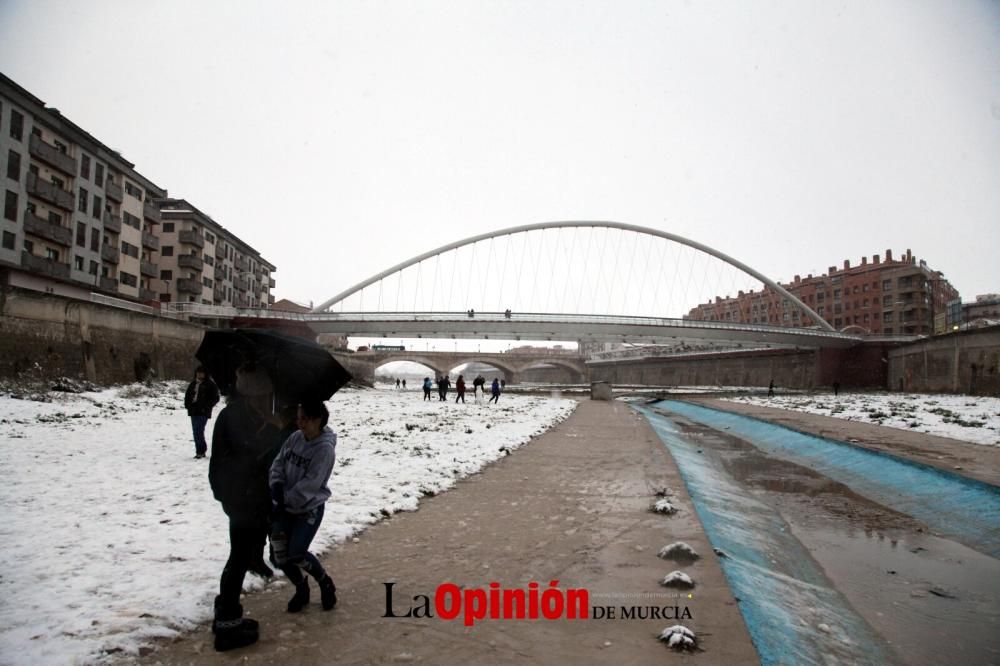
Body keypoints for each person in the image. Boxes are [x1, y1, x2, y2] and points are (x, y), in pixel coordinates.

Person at [207, 366, 282, 651]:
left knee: (239, 554)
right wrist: (273, 430)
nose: (268, 398)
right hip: (244, 498)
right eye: (264, 394)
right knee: (238, 558)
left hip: (238, 497)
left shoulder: (237, 415)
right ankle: (227, 624)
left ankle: (225, 612)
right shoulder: (240, 419)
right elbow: (251, 458)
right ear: (254, 394)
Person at [269, 400, 338, 614]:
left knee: (296, 553)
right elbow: (278, 463)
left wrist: (285, 500)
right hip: (283, 505)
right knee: (278, 556)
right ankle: (301, 588)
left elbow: (310, 484)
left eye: (304, 419)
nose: (299, 423)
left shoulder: (324, 450)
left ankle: (324, 581)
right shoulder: (295, 438)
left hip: (309, 508)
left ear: (318, 420)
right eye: (298, 418)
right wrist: (277, 487)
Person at [184, 365, 220, 459]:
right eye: (198, 372)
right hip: (193, 411)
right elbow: (187, 396)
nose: (199, 374)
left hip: (203, 411)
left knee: (198, 431)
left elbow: (216, 398)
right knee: (196, 432)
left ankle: (201, 451)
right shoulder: (193, 384)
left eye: (202, 373)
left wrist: (207, 406)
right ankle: (200, 450)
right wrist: (188, 406)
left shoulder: (210, 384)